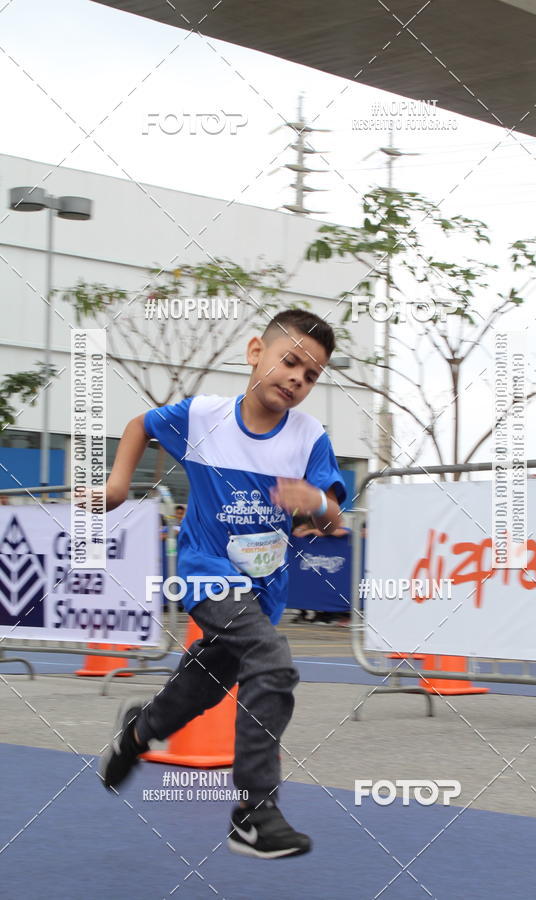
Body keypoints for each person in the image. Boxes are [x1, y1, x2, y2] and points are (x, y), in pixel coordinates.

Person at [99, 309, 346, 859]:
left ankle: (137, 734)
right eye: (290, 362)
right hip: (209, 572)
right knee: (273, 661)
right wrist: (118, 486)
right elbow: (141, 424)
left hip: (266, 589)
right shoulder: (204, 416)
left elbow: (333, 517)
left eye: (312, 376)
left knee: (205, 684)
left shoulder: (310, 439)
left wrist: (316, 504)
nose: (297, 379)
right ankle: (254, 813)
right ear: (255, 351)